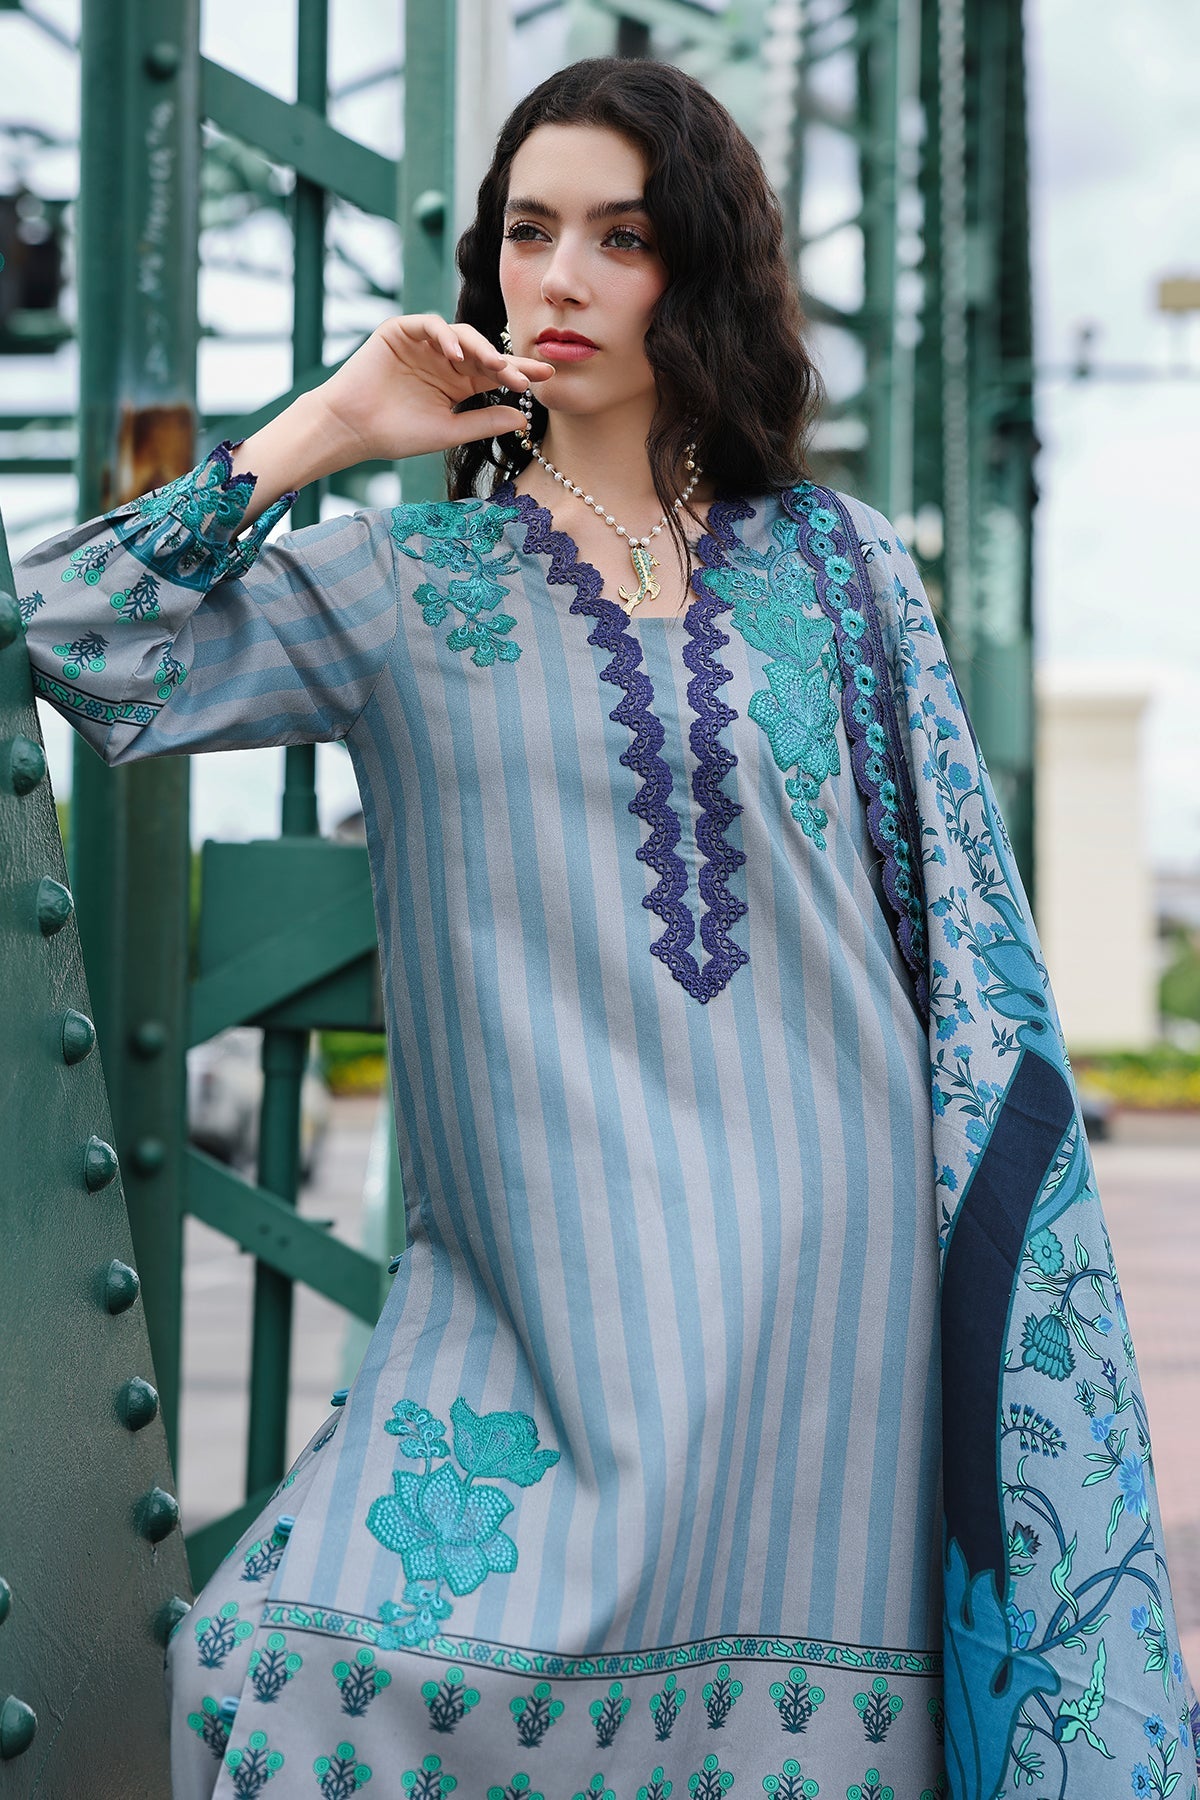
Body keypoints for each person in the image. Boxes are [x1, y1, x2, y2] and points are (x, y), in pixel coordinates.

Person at [15, 55, 1199, 1800]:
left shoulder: (843, 569)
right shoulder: (399, 591)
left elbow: (958, 953)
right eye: (528, 232)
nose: (558, 277)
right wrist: (326, 430)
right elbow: (66, 634)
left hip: (839, 1319)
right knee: (266, 1682)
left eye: (621, 237)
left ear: (695, 268)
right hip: (539, 1321)